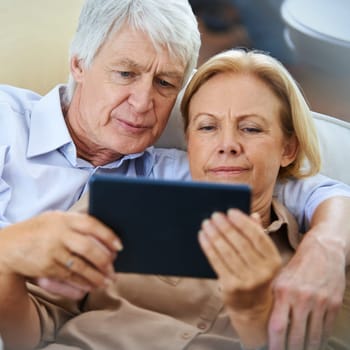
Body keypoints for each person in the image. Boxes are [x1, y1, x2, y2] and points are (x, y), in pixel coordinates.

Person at [0, 0, 349, 348]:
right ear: (79, 63)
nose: (141, 103)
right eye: (125, 74)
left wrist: (326, 243)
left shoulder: (172, 176)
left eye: (166, 83)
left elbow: (305, 186)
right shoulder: (7, 120)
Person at [181, 48, 350, 349]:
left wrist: (256, 319)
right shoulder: (114, 211)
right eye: (207, 127)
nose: (227, 145)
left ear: (288, 150)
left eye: (250, 128)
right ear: (188, 142)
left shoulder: (328, 276)